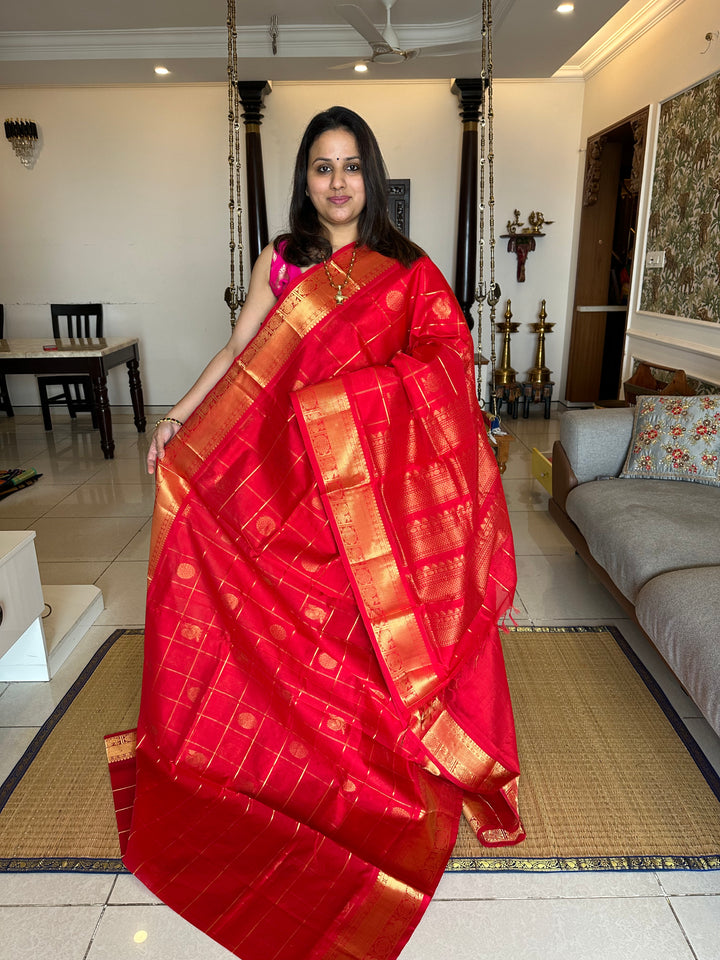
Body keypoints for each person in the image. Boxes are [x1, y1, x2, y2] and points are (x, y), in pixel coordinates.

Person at [108, 106, 523, 960]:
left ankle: (368, 763)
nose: (337, 183)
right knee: (266, 615)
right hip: (281, 478)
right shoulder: (284, 262)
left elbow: (449, 365)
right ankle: (280, 758)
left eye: (351, 167)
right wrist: (175, 422)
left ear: (372, 176)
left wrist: (349, 406)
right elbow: (238, 351)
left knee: (361, 635)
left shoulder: (407, 271)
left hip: (365, 493)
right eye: (321, 168)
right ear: (304, 180)